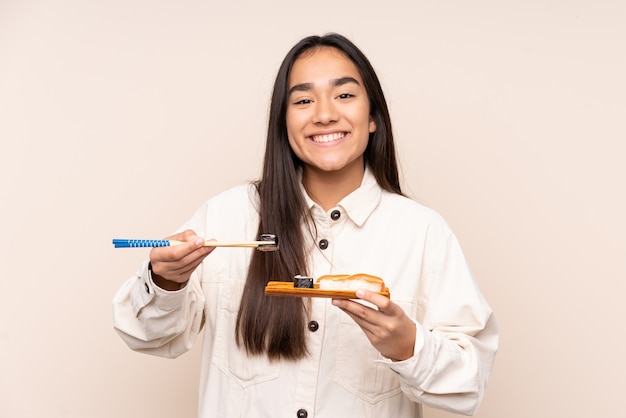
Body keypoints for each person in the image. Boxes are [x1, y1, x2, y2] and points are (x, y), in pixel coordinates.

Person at [113, 33, 498, 418]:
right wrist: (166, 280)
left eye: (344, 95)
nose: (325, 114)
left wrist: (408, 345)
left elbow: (467, 387)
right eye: (303, 100)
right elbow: (147, 335)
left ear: (374, 118)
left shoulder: (423, 232)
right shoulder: (227, 215)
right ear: (283, 122)